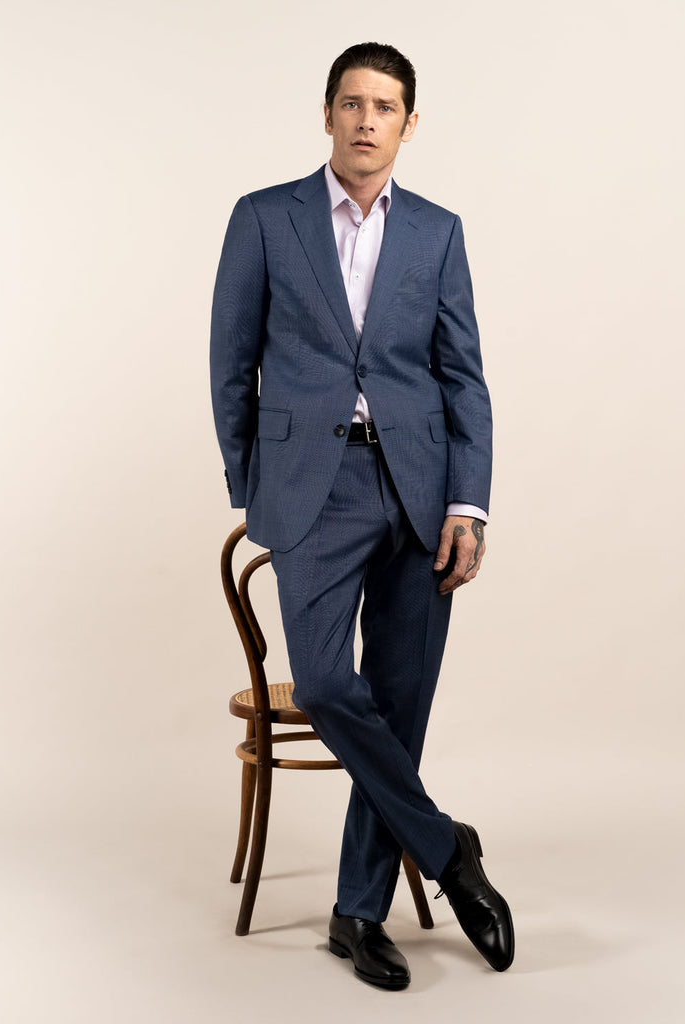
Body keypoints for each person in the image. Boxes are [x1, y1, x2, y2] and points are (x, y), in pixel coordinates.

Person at [210, 42, 514, 990]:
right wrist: (253, 484)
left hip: (420, 488)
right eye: (351, 103)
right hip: (310, 487)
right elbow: (229, 360)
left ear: (408, 124)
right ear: (328, 115)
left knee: (400, 699)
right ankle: (448, 851)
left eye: (385, 106)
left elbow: (463, 378)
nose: (367, 120)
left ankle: (357, 912)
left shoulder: (437, 231)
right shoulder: (264, 218)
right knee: (328, 685)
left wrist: (467, 504)